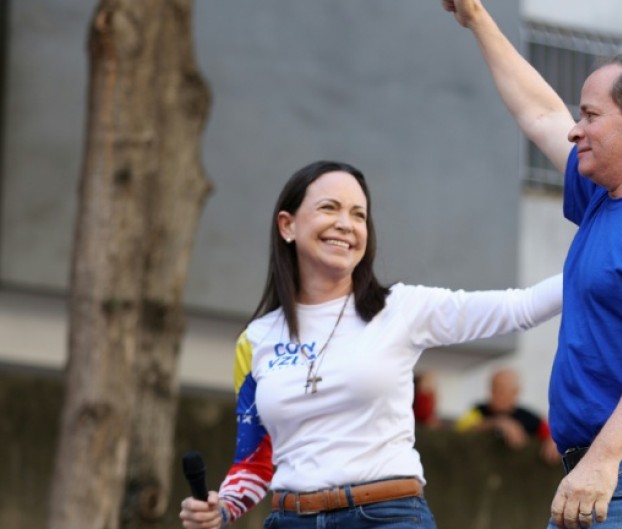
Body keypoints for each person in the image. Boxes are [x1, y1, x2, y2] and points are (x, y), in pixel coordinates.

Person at [442, 2, 622, 528]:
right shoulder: (605, 199)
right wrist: (477, 18)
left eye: (591, 115)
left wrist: (603, 459)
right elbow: (539, 114)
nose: (576, 129)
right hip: (604, 474)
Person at [179, 160, 562, 529]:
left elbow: (521, 306)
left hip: (387, 516)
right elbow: (254, 461)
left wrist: (607, 255)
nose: (346, 224)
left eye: (358, 214)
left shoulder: (401, 309)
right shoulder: (255, 340)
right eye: (329, 208)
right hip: (289, 519)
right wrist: (222, 508)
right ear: (288, 225)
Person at [455, 367, 560, 464]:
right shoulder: (478, 410)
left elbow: (550, 432)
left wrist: (552, 440)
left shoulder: (528, 417)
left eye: (502, 389)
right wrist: (497, 422)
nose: (496, 393)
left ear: (515, 392)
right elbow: (460, 429)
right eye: (494, 388)